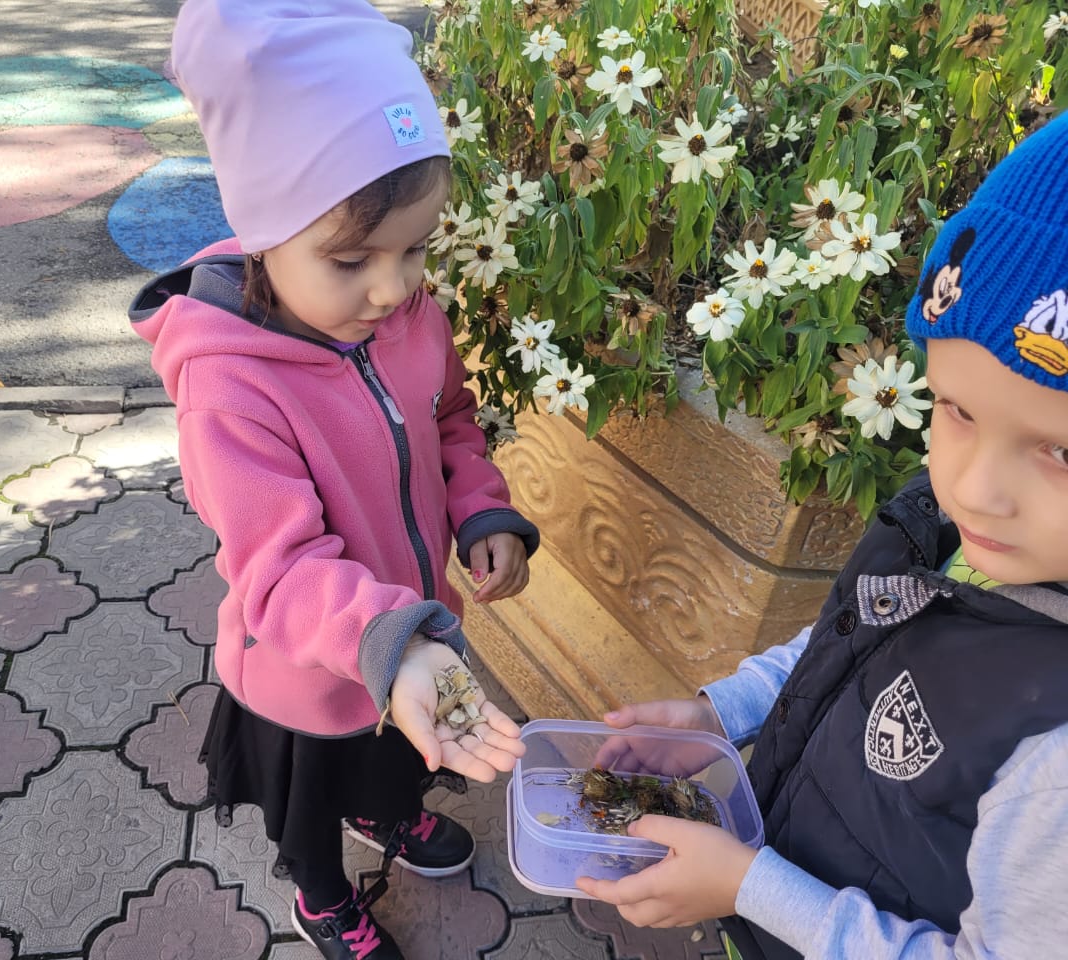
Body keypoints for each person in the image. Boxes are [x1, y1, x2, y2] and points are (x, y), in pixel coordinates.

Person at [576, 110, 1068, 959]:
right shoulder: (958, 530)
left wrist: (748, 885)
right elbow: (859, 635)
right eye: (956, 410)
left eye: (1059, 449)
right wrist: (713, 716)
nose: (977, 489)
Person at [129, 2, 538, 957]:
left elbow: (449, 417)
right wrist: (391, 644)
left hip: (411, 639)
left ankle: (387, 817)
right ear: (263, 227)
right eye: (352, 258)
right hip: (305, 676)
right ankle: (321, 893)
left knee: (397, 758)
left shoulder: (401, 314)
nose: (394, 288)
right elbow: (278, 566)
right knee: (311, 801)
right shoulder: (229, 386)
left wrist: (480, 506)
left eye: (418, 248)